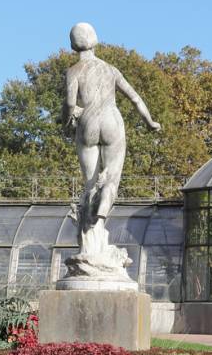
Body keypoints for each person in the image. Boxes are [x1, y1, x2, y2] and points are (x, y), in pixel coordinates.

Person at [65, 22, 161, 242]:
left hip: (87, 121)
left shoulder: (73, 71)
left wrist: (66, 121)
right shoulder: (110, 69)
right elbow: (135, 98)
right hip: (111, 119)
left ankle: (89, 227)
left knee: (89, 183)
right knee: (111, 177)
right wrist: (150, 121)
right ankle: (104, 208)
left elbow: (70, 104)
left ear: (73, 45)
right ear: (94, 40)